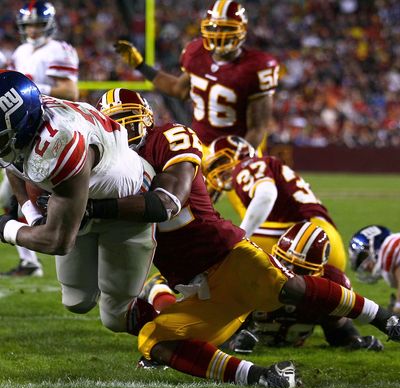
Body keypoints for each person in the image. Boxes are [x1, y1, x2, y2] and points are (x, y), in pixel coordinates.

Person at [87, 88, 400, 388]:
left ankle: (385, 319)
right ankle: (264, 376)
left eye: (129, 118)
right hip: (196, 288)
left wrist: (93, 208)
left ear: (147, 118)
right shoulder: (108, 167)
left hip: (225, 255)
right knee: (154, 339)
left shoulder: (169, 137)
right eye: (115, 122)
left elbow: (166, 203)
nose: (124, 128)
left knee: (286, 286)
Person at [0, 70, 156, 336]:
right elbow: (14, 165)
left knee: (116, 314)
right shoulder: (29, 116)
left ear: (23, 125)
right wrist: (32, 215)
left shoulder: (59, 143)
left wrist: (6, 228)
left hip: (126, 201)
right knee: (76, 300)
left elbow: (57, 241)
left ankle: (171, 329)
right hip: (80, 198)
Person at [114, 0, 279, 215]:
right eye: (214, 27)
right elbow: (177, 89)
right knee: (185, 213)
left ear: (242, 31)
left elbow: (258, 127)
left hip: (239, 148)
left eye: (226, 28)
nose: (219, 34)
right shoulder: (196, 53)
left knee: (258, 213)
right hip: (201, 146)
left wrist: (235, 158)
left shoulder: (257, 67)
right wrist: (141, 66)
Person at [1, 1, 80, 277]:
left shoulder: (60, 50)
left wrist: (34, 87)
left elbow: (70, 89)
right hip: (23, 130)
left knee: (54, 193)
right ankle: (31, 257)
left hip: (52, 129)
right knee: (8, 192)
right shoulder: (21, 51)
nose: (32, 30)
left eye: (37, 24)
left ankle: (50, 242)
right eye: (28, 25)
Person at [228, 222, 384, 353]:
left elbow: (337, 330)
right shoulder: (254, 274)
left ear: (318, 272)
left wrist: (353, 341)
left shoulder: (331, 284)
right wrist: (233, 341)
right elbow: (217, 327)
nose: (289, 274)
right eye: (284, 263)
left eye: (300, 269)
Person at [203, 135, 347, 272]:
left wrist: (240, 237)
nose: (218, 171)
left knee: (221, 247)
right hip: (327, 240)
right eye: (214, 166)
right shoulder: (267, 165)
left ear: (239, 153)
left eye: (221, 161)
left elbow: (266, 195)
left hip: (305, 238)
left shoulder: (246, 165)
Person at [349, 225, 400, 314]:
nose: (364, 266)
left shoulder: (390, 248)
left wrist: (397, 308)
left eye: (363, 257)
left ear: (375, 244)